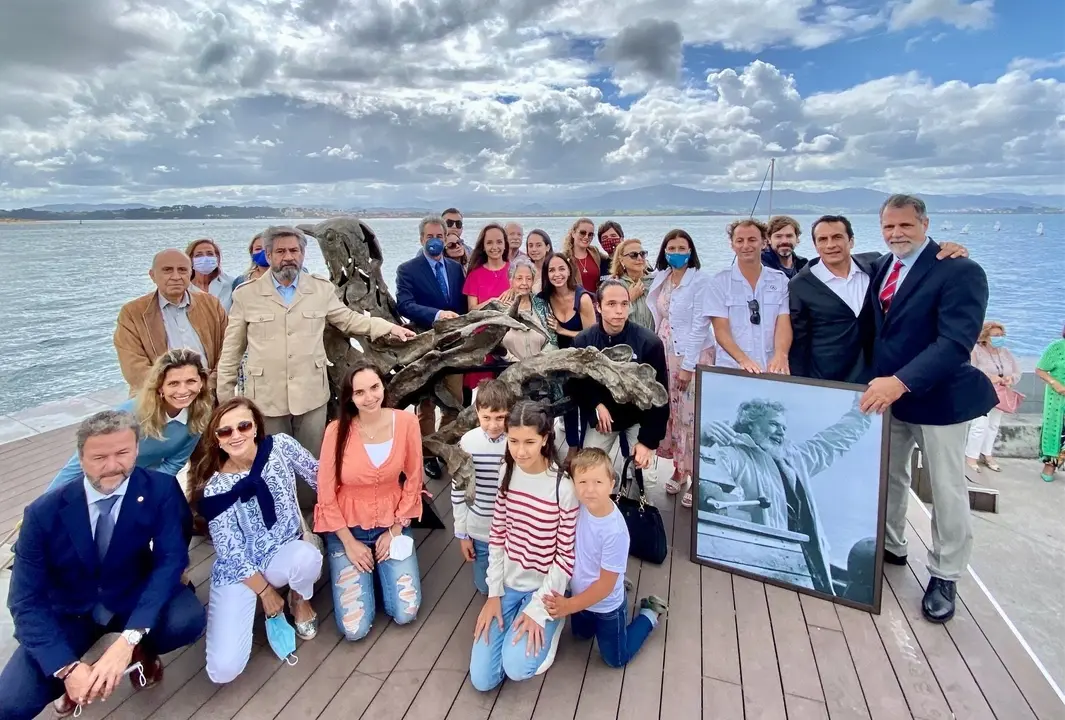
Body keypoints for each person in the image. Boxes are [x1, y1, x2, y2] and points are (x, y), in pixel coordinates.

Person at [0, 410, 205, 720]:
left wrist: (129, 639)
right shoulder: (42, 513)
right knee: (10, 704)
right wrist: (66, 668)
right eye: (99, 457)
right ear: (80, 458)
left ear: (137, 449)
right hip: (70, 609)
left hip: (130, 595)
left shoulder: (160, 490)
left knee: (186, 620)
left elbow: (170, 560)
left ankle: (141, 650)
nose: (112, 466)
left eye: (123, 453)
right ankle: (76, 673)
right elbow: (24, 601)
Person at [860, 194, 997, 624]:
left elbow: (955, 343)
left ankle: (945, 574)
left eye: (905, 226)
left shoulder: (959, 270)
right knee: (890, 477)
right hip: (888, 399)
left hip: (937, 397)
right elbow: (835, 258)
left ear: (925, 224)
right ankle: (892, 546)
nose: (896, 234)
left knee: (946, 489)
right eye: (888, 227)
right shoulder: (881, 265)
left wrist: (899, 382)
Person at [216, 225, 415, 467]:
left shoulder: (319, 288)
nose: (288, 257)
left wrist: (388, 327)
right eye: (280, 251)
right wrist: (227, 400)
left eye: (294, 250)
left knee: (311, 461)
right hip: (266, 397)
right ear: (268, 256)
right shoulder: (247, 295)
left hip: (310, 393)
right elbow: (231, 351)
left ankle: (311, 506)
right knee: (271, 462)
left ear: (302, 254)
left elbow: (348, 319)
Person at [190, 397, 323, 683]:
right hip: (239, 572)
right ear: (217, 440)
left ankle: (299, 599)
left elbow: (318, 476)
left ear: (255, 427)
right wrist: (265, 593)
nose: (235, 435)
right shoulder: (216, 490)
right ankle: (262, 606)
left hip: (283, 553)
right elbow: (231, 555)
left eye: (243, 426)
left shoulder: (280, 447)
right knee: (223, 670)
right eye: (225, 431)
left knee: (307, 557)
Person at [698, 395, 872, 595]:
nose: (781, 431)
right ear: (750, 424)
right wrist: (703, 439)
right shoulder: (732, 455)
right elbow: (705, 480)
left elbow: (834, 440)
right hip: (761, 564)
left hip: (809, 562)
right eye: (773, 424)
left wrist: (863, 410)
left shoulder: (795, 457)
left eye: (783, 427)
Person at [469, 401, 578, 691]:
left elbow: (565, 557)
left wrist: (538, 609)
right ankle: (515, 626)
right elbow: (497, 535)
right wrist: (493, 593)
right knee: (482, 679)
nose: (521, 451)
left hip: (544, 589)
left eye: (529, 441)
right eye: (513, 441)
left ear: (545, 438)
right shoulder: (508, 470)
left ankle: (553, 627)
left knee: (516, 668)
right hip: (508, 585)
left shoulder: (563, 488)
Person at [314, 362, 426, 640]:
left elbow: (414, 479)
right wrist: (349, 544)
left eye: (375, 387)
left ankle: (377, 573)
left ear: (383, 386)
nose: (370, 397)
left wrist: (396, 530)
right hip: (347, 530)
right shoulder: (336, 431)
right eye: (360, 392)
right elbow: (326, 492)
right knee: (355, 629)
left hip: (392, 524)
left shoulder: (406, 422)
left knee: (406, 611)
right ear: (349, 397)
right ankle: (367, 571)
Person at [789, 215, 971, 383]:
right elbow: (799, 342)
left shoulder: (875, 265)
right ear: (815, 245)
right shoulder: (800, 285)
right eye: (822, 239)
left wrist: (946, 249)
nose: (830, 245)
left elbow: (913, 260)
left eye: (837, 237)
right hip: (830, 379)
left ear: (851, 241)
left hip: (879, 376)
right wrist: (801, 385)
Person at [542, 448, 668, 667]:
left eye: (598, 482)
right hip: (581, 594)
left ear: (612, 483)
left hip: (606, 605)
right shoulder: (576, 505)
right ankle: (618, 576)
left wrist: (568, 606)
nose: (590, 490)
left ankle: (649, 615)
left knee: (616, 659)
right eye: (582, 482)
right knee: (580, 636)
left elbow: (604, 587)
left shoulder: (615, 531)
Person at [49, 348, 212, 491]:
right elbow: (79, 463)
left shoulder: (199, 415)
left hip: (143, 482)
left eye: (191, 381)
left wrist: (143, 490)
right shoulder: (128, 414)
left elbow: (173, 464)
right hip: (103, 482)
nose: (183, 390)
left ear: (201, 383)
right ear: (160, 386)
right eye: (173, 383)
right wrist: (45, 504)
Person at [571, 279, 669, 474]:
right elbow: (575, 384)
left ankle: (641, 498)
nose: (619, 311)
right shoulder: (583, 341)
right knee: (588, 469)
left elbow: (660, 397)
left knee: (648, 476)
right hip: (604, 419)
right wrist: (595, 405)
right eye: (611, 304)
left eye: (624, 304)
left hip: (639, 417)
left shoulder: (649, 343)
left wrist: (647, 441)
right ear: (598, 307)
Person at [396, 215, 468, 478]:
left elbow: (462, 305)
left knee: (454, 401)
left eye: (440, 236)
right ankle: (427, 455)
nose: (435, 241)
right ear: (421, 239)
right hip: (424, 346)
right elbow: (404, 304)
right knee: (425, 405)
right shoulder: (408, 269)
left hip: (455, 346)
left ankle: (445, 446)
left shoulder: (454, 268)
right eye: (430, 237)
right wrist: (437, 315)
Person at [648, 229, 715, 508]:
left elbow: (701, 324)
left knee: (692, 417)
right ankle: (679, 468)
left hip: (692, 355)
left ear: (691, 250)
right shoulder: (662, 278)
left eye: (682, 247)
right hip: (665, 354)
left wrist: (688, 366)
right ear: (664, 251)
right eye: (671, 248)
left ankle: (697, 476)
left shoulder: (700, 281)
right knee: (672, 415)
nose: (677, 252)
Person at [114, 248, 228, 393]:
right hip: (159, 399)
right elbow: (134, 367)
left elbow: (227, 349)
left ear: (190, 273)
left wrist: (209, 384)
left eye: (182, 270)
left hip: (208, 393)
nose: (176, 276)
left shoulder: (211, 304)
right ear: (152, 275)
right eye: (167, 270)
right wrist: (176, 389)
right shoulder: (133, 313)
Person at [703, 219, 791, 374]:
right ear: (732, 245)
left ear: (764, 242)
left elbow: (783, 323)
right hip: (732, 367)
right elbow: (721, 330)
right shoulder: (719, 282)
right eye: (740, 241)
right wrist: (743, 360)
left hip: (771, 367)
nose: (746, 246)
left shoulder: (781, 280)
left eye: (752, 240)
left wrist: (781, 354)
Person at [454, 380, 514, 595]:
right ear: (477, 412)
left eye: (500, 418)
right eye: (486, 417)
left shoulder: (515, 442)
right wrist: (462, 533)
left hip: (511, 530)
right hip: (479, 528)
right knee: (484, 586)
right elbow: (458, 489)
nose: (493, 425)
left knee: (509, 584)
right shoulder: (467, 442)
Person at [966, 321, 1023, 473]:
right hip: (982, 392)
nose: (1000, 338)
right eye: (996, 335)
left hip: (1000, 394)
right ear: (985, 336)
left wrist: (1011, 379)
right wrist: (989, 377)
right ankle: (971, 456)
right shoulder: (976, 351)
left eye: (1002, 335)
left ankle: (987, 454)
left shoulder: (1005, 352)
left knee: (993, 425)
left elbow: (1017, 372)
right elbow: (970, 371)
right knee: (979, 425)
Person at [462, 222, 512, 390]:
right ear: (483, 246)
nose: (495, 247)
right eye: (489, 242)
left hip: (511, 339)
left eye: (499, 242)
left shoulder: (515, 271)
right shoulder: (475, 275)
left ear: (505, 244)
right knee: (485, 392)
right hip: (483, 339)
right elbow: (472, 309)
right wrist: (494, 301)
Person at [498, 256, 556, 359]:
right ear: (511, 281)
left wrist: (539, 362)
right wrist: (515, 363)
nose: (524, 283)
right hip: (509, 369)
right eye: (519, 278)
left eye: (528, 278)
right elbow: (495, 344)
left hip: (541, 369)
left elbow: (553, 340)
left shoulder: (542, 305)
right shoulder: (501, 307)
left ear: (533, 281)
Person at [540, 252, 596, 349]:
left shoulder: (583, 299)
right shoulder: (543, 299)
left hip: (582, 353)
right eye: (551, 270)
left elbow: (592, 337)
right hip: (555, 356)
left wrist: (561, 330)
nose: (557, 274)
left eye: (562, 269)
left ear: (569, 271)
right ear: (546, 274)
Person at [1036, 326, 1065, 482]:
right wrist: (1055, 383)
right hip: (1058, 398)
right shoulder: (1056, 347)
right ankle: (1050, 466)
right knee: (1056, 431)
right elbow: (1040, 370)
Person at [610, 238, 654, 331]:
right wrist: (629, 299)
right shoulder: (614, 286)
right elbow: (610, 319)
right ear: (621, 260)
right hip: (626, 340)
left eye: (642, 254)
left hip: (654, 340)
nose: (639, 258)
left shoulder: (655, 282)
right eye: (633, 255)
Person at [186, 238, 235, 311]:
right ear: (190, 260)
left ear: (217, 258)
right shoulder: (185, 288)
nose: (205, 258)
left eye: (210, 254)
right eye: (199, 255)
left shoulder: (231, 283)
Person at [562, 217, 604, 293]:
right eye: (582, 233)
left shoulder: (594, 252)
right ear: (573, 233)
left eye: (590, 234)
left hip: (596, 301)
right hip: (576, 302)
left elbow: (612, 260)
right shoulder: (564, 258)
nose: (586, 237)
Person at [525, 229, 552, 293]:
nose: (534, 249)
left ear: (547, 247)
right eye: (531, 246)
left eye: (538, 245)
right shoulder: (525, 269)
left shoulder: (554, 268)